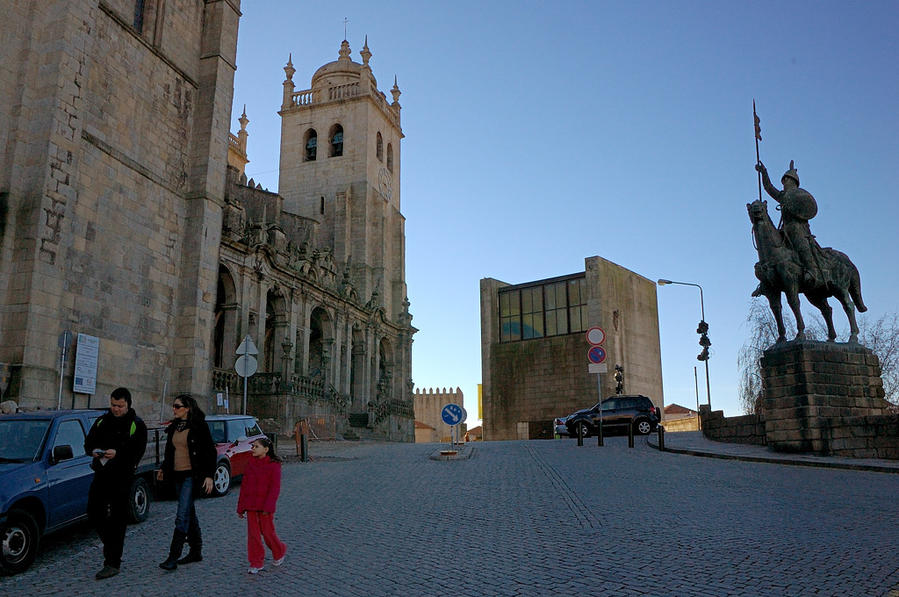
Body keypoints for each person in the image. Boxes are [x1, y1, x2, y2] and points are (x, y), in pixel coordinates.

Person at [84, 387, 148, 580]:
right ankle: (110, 546)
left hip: (122, 476)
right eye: (113, 405)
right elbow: (88, 443)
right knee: (94, 512)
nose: (116, 409)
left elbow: (137, 452)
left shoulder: (136, 424)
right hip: (102, 473)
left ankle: (112, 562)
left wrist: (118, 454)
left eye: (120, 406)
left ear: (128, 404)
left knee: (118, 519)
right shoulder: (102, 420)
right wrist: (94, 451)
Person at [156, 393, 216, 571]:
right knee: (189, 512)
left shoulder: (199, 426)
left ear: (187, 408)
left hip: (192, 476)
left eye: (177, 406)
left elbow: (209, 452)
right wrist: (163, 469)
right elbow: (170, 452)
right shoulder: (174, 426)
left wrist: (209, 475)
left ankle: (173, 557)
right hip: (177, 475)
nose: (173, 409)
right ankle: (196, 551)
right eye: (173, 406)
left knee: (181, 515)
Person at [756, 160, 824, 287]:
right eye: (783, 181)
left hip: (798, 229)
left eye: (786, 180)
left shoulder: (799, 195)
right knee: (772, 245)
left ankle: (811, 270)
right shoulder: (783, 196)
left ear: (792, 181)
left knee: (800, 243)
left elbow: (807, 209)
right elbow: (769, 187)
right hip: (785, 229)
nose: (784, 183)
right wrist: (764, 172)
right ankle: (767, 279)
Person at [236, 436, 287, 574]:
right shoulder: (250, 464)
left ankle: (279, 550)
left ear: (266, 449)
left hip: (265, 507)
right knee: (253, 535)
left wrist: (268, 507)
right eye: (252, 446)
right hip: (251, 506)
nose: (253, 448)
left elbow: (274, 488)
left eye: (256, 446)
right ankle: (256, 562)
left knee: (267, 533)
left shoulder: (274, 465)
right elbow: (244, 487)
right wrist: (241, 507)